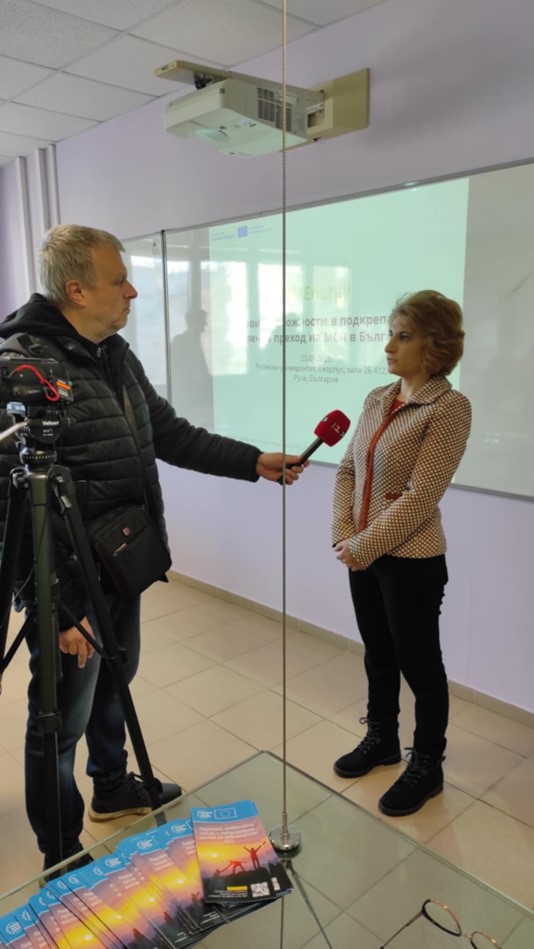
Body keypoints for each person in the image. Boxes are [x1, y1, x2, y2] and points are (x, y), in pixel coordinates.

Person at [0, 224, 306, 869]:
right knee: (59, 721)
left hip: (121, 561)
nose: (133, 292)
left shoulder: (114, 353)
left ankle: (112, 788)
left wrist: (253, 461)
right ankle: (60, 849)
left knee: (119, 680)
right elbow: (14, 509)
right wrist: (61, 606)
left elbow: (167, 432)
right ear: (77, 290)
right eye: (120, 281)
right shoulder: (18, 369)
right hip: (71, 583)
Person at [331, 290, 471, 816]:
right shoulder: (376, 398)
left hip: (411, 559)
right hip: (362, 551)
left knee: (420, 663)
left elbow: (421, 496)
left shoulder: (450, 407)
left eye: (403, 335)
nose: (389, 345)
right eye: (390, 332)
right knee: (377, 651)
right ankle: (383, 739)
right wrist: (344, 530)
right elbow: (348, 470)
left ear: (434, 346)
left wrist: (362, 544)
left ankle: (427, 763)